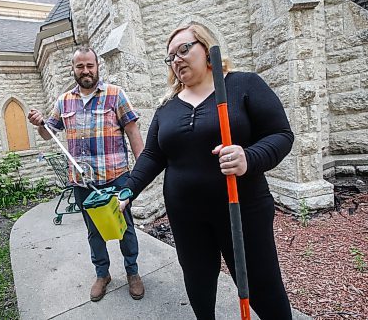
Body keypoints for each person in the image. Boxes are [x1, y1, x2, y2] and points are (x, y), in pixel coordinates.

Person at [119, 23, 294, 319]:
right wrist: (127, 190)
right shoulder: (167, 107)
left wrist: (248, 157)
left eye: (184, 49)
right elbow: (152, 155)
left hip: (242, 210)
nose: (177, 59)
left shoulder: (244, 85)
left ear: (207, 48)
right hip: (186, 216)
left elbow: (280, 135)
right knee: (198, 283)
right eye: (170, 56)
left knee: (262, 287)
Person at [28, 46, 145, 302]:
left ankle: (132, 272)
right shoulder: (64, 101)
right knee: (94, 230)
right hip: (82, 181)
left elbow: (133, 132)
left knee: (124, 227)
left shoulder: (115, 95)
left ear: (97, 66)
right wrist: (40, 124)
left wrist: (143, 169)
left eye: (89, 65)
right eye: (80, 66)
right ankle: (102, 274)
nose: (85, 71)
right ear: (74, 69)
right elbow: (49, 133)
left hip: (116, 177)